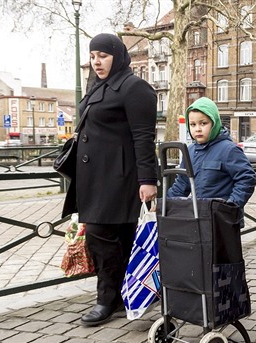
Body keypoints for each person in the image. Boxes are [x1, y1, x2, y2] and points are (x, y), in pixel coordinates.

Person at [62, 33, 158, 326]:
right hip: (95, 178)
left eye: (102, 55)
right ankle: (125, 294)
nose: (96, 62)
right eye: (92, 57)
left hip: (119, 177)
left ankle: (107, 299)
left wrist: (148, 179)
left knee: (104, 237)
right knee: (118, 239)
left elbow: (144, 137)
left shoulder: (134, 87)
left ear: (117, 55)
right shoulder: (98, 86)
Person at [166, 97, 256, 221]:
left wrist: (230, 206)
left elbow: (246, 178)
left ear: (214, 123)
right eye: (192, 124)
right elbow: (182, 184)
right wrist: (165, 204)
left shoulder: (229, 149)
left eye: (203, 123)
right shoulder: (190, 150)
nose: (197, 128)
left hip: (224, 221)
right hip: (200, 217)